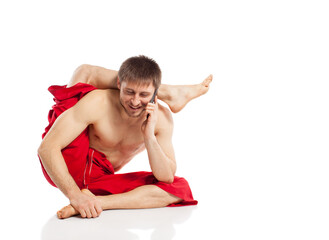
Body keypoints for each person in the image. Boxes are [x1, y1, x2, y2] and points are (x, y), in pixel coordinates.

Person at [38, 55, 212, 219]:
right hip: (65, 164)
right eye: (129, 92)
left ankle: (97, 202)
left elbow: (166, 177)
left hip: (98, 181)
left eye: (144, 94)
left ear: (154, 93)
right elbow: (46, 148)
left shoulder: (162, 120)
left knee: (178, 188)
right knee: (83, 72)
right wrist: (74, 195)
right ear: (119, 84)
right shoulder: (98, 102)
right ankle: (169, 92)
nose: (135, 102)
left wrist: (149, 136)